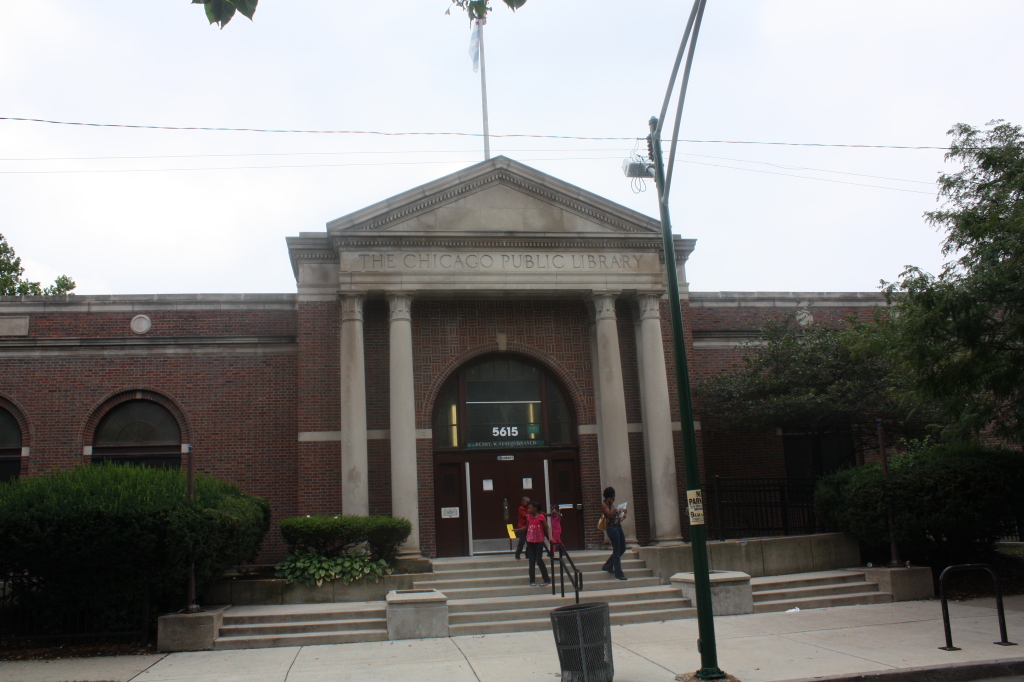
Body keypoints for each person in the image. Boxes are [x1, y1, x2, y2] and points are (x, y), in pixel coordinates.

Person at [600, 486, 628, 580]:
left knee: (622, 548)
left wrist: (622, 514)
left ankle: (608, 565)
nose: (613, 499)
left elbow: (616, 517)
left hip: (618, 527)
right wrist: (611, 505)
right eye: (612, 497)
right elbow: (610, 515)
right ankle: (619, 573)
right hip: (612, 529)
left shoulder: (612, 505)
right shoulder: (604, 505)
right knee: (616, 550)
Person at [522, 501, 550, 586]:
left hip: (539, 541)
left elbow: (547, 527)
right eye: (528, 508)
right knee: (531, 561)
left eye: (530, 508)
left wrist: (550, 537)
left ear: (535, 508)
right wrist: (517, 530)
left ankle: (546, 579)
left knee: (539, 560)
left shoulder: (541, 517)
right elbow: (526, 527)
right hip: (530, 541)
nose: (528, 510)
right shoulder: (529, 517)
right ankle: (532, 580)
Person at [514, 495, 530, 560]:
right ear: (523, 502)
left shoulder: (529, 508)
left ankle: (528, 554)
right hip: (522, 526)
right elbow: (524, 515)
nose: (528, 504)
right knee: (522, 541)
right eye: (527, 502)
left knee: (529, 541)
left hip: (528, 526)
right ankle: (518, 553)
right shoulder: (521, 508)